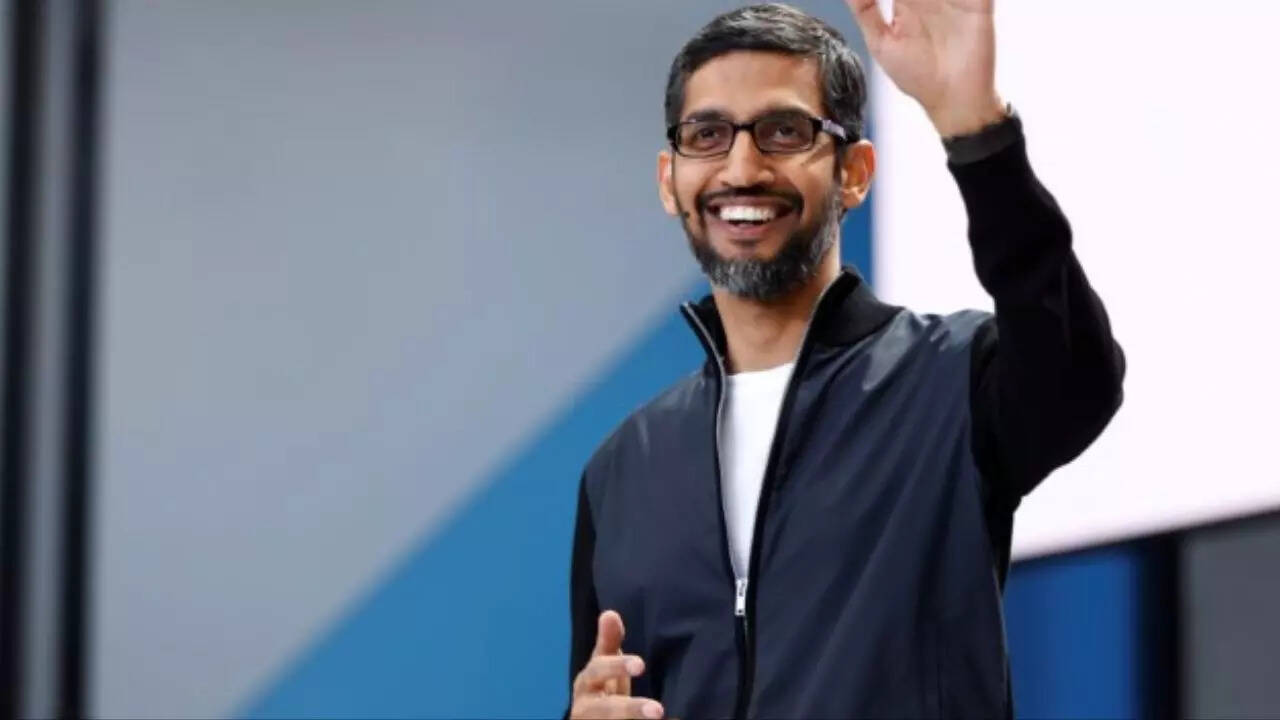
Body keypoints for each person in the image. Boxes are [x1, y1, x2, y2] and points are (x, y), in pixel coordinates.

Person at [566, 1, 1124, 717]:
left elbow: (1080, 379)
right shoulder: (621, 471)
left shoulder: (951, 381)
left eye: (784, 131)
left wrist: (978, 131)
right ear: (669, 180)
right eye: (708, 135)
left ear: (855, 172)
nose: (741, 167)